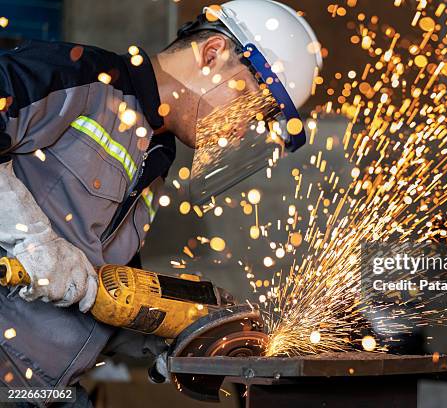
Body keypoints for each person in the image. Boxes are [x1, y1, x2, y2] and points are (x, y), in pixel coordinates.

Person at [0, 0, 321, 405]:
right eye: (256, 106)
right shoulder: (79, 78)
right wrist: (33, 240)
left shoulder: (154, 158)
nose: (242, 130)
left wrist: (164, 336)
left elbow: (92, 287)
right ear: (213, 55)